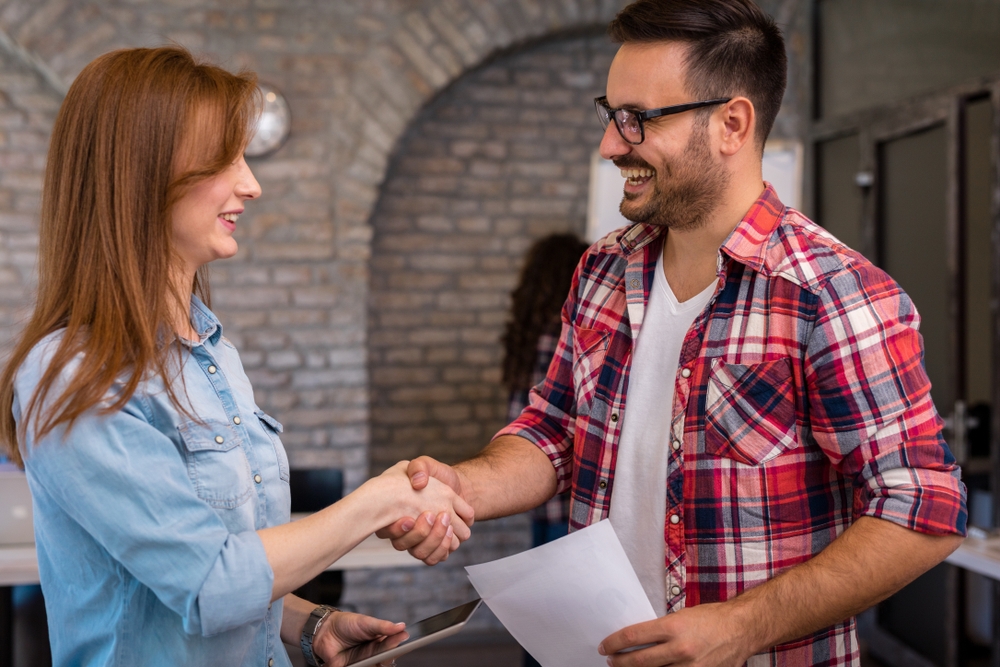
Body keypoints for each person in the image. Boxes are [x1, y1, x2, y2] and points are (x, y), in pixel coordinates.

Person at [377, 1, 968, 665]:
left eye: (638, 121)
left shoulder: (832, 294)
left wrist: (744, 624)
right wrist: (465, 488)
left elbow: (924, 509)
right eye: (611, 115)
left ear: (731, 125)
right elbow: (554, 431)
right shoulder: (601, 269)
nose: (609, 144)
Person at [0, 46, 472, 667]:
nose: (252, 184)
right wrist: (379, 500)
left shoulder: (208, 350)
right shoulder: (71, 377)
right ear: (142, 174)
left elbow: (199, 565)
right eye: (226, 160)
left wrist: (309, 623)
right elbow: (207, 585)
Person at [501, 233, 588, 667]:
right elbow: (552, 423)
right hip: (564, 499)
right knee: (563, 622)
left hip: (539, 500)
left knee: (544, 613)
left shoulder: (528, 330)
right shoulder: (559, 335)